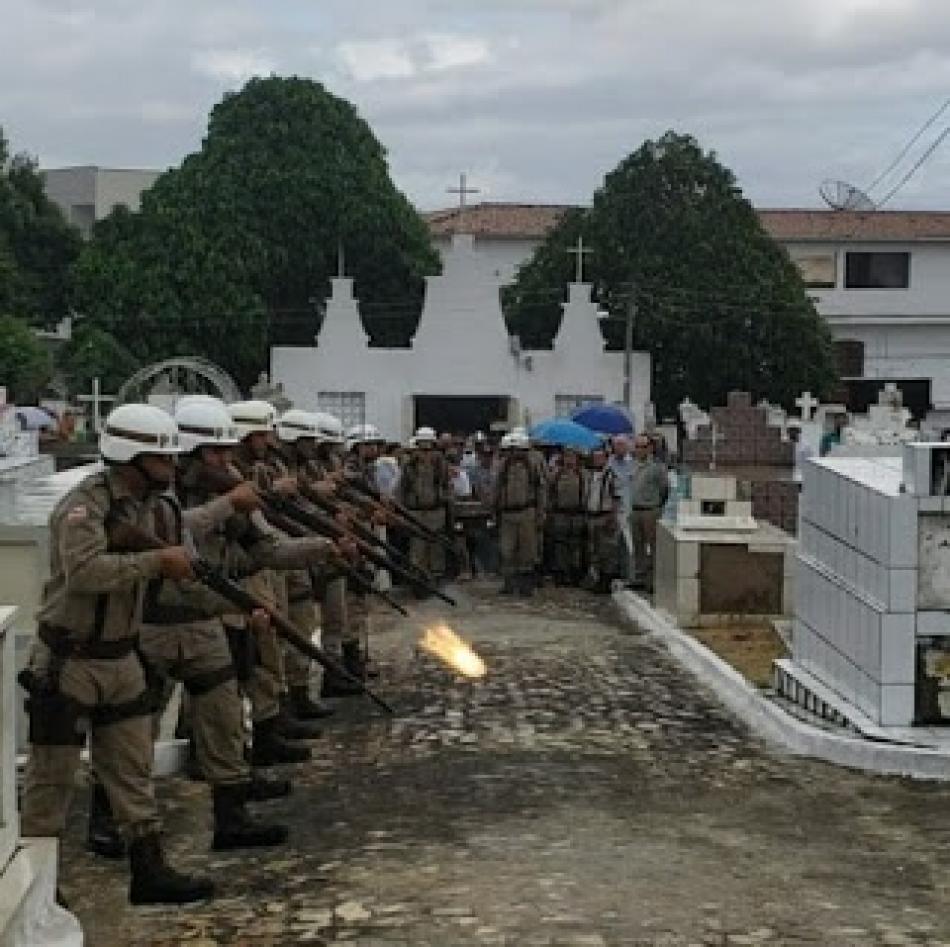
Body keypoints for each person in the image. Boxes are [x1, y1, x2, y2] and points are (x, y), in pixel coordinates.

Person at [19, 404, 214, 904]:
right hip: (70, 661)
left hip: (122, 656)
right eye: (161, 460)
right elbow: (84, 572)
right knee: (51, 781)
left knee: (132, 773)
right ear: (133, 457)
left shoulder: (148, 508)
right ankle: (40, 888)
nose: (171, 469)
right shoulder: (83, 506)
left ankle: (149, 872)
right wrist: (156, 562)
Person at [493, 431, 546, 596]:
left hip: (527, 512)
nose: (513, 452)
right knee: (506, 550)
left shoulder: (533, 465)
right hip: (507, 513)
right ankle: (509, 584)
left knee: (527, 551)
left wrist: (541, 513)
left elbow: (541, 490)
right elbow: (497, 489)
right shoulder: (504, 466)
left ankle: (525, 586)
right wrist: (495, 511)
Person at [397, 426, 451, 584]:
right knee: (417, 548)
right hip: (416, 512)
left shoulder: (441, 464)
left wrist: (446, 507)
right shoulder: (409, 465)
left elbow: (447, 487)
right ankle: (418, 579)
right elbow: (403, 488)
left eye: (428, 447)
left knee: (436, 548)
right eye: (422, 446)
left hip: (436, 511)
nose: (425, 451)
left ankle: (437, 577)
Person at [629, 434, 669, 592]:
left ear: (650, 448)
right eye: (637, 446)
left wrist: (657, 504)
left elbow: (664, 489)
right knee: (637, 545)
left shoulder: (657, 467)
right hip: (636, 509)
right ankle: (639, 577)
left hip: (650, 510)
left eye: (642, 447)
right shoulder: (634, 465)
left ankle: (652, 580)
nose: (638, 450)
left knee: (653, 547)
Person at [546, 447, 588, 585]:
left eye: (572, 457)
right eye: (567, 456)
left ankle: (575, 572)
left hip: (577, 514)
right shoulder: (556, 475)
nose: (569, 460)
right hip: (560, 514)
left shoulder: (582, 475)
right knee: (560, 545)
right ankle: (561, 572)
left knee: (576, 545)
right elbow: (550, 493)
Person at [585, 447, 621, 592]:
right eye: (595, 458)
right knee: (594, 550)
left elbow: (616, 498)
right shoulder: (591, 475)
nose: (597, 460)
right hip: (592, 515)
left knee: (607, 550)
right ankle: (597, 578)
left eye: (600, 458)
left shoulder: (611, 476)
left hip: (605, 516)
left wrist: (612, 517)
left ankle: (606, 581)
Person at [608, 435, 635, 579]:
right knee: (615, 541)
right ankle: (616, 570)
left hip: (629, 505)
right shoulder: (610, 463)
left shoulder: (633, 463)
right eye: (616, 445)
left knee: (629, 541)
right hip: (614, 505)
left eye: (621, 445)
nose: (618, 448)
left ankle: (630, 573)